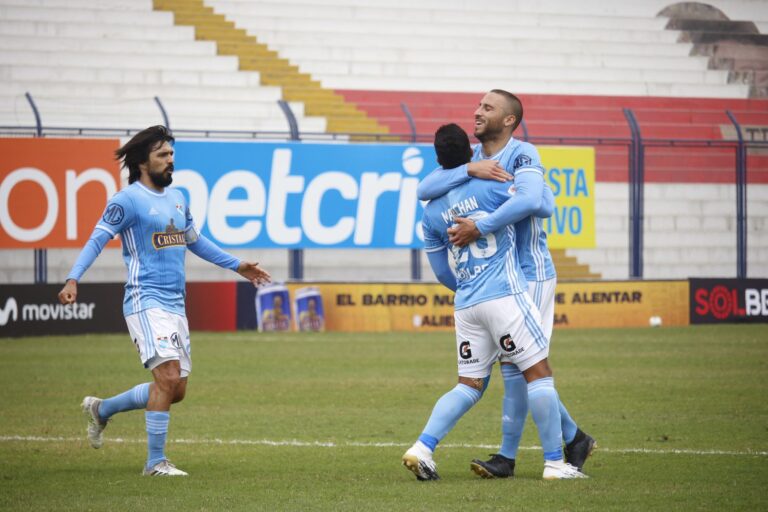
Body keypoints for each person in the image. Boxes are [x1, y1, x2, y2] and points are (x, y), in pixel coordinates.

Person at [58, 125, 271, 476]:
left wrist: (237, 265)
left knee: (176, 389)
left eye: (172, 154)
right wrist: (73, 278)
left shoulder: (177, 198)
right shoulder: (126, 200)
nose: (171, 161)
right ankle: (155, 463)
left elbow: (195, 241)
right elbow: (97, 239)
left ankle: (102, 409)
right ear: (143, 161)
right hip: (145, 300)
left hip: (175, 303)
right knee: (168, 377)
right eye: (163, 155)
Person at [417, 91, 596, 479]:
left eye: (487, 108)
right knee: (518, 365)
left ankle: (508, 456)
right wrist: (469, 171)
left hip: (529, 272)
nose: (477, 113)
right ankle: (573, 437)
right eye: (478, 107)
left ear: (510, 120)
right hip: (496, 279)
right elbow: (424, 187)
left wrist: (479, 225)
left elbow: (539, 202)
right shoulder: (476, 162)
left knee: (519, 368)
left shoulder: (522, 153)